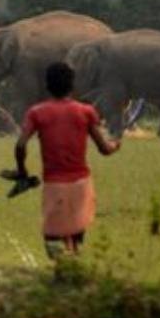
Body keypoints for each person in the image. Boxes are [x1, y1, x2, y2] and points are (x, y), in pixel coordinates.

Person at [13, 61, 121, 258]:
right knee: (76, 239)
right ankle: (74, 275)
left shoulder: (37, 113)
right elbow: (105, 149)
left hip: (54, 184)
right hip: (81, 184)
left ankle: (62, 277)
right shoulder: (85, 112)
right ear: (72, 86)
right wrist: (116, 144)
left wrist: (22, 172)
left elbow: (20, 145)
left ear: (46, 86)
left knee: (54, 241)